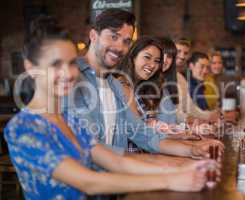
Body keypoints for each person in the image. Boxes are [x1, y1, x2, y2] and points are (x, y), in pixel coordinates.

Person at [5, 15, 219, 200]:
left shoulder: (69, 119)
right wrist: (171, 178)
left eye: (71, 63)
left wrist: (186, 165)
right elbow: (89, 182)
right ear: (30, 68)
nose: (68, 73)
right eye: (55, 64)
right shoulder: (22, 127)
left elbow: (118, 161)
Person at [65, 9, 224, 160]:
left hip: (116, 177)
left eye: (126, 41)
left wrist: (192, 149)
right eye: (114, 36)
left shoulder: (115, 83)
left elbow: (141, 133)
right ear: (93, 35)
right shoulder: (70, 77)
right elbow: (90, 151)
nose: (120, 47)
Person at [173, 38, 220, 123]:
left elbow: (190, 107)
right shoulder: (163, 76)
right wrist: (204, 118)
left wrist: (210, 116)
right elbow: (174, 113)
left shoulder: (181, 78)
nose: (182, 56)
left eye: (185, 53)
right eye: (179, 51)